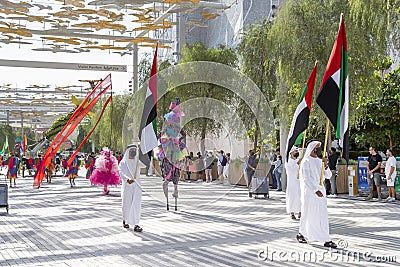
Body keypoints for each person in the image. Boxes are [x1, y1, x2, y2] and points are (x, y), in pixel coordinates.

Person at [296, 141, 337, 248]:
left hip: (321, 190)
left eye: (320, 147)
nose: (319, 149)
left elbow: (328, 176)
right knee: (307, 213)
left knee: (322, 215)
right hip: (310, 192)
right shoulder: (306, 161)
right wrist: (315, 190)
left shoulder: (320, 161)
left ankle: (326, 239)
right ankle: (302, 233)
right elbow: (306, 178)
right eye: (317, 147)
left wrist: (326, 165)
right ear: (312, 148)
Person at [119, 144, 144, 232]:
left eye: (135, 150)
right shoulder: (123, 162)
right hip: (127, 186)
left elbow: (145, 164)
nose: (133, 152)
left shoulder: (137, 162)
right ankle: (125, 220)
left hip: (137, 186)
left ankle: (136, 224)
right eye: (132, 150)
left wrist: (143, 151)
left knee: (136, 204)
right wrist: (127, 179)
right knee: (127, 204)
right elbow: (121, 172)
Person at [285, 147, 301, 220]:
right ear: (291, 153)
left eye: (297, 151)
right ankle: (292, 213)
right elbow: (291, 169)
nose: (296, 152)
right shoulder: (288, 161)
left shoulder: (298, 160)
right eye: (295, 151)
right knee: (292, 197)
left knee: (300, 196)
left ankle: (300, 212)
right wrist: (298, 163)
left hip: (299, 181)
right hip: (292, 182)